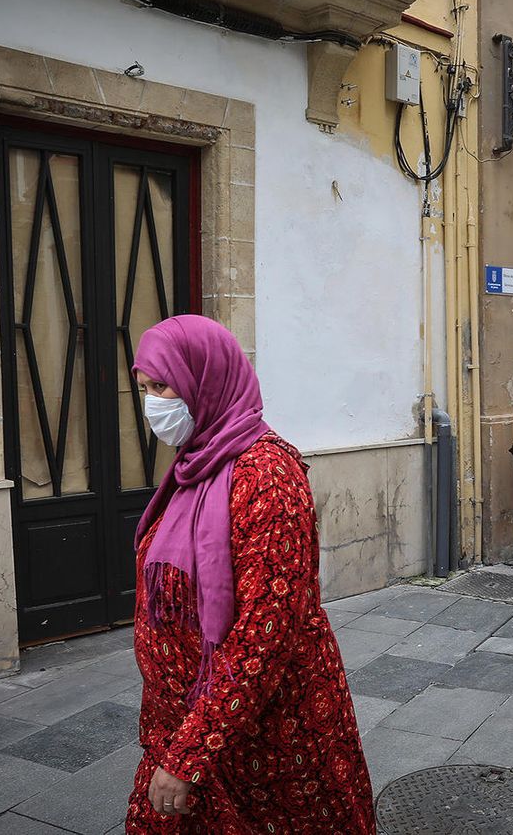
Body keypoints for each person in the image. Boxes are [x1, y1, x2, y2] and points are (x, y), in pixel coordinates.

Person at [123, 315, 375, 833]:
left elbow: (265, 635)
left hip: (263, 739)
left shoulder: (267, 476)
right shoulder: (196, 463)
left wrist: (189, 754)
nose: (152, 404)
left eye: (162, 387)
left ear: (205, 380)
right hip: (186, 725)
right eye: (144, 388)